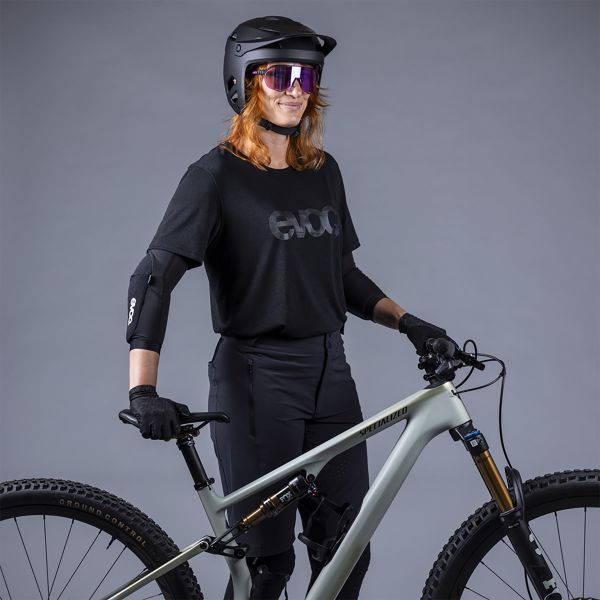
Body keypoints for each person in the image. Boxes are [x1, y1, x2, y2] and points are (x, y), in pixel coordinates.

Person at [126, 15, 455, 600]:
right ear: (245, 81)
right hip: (258, 381)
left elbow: (341, 275)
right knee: (267, 565)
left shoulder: (323, 172)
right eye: (279, 75)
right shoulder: (214, 177)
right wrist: (142, 390)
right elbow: (152, 278)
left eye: (307, 76)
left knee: (346, 553)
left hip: (332, 376)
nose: (294, 89)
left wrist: (409, 324)